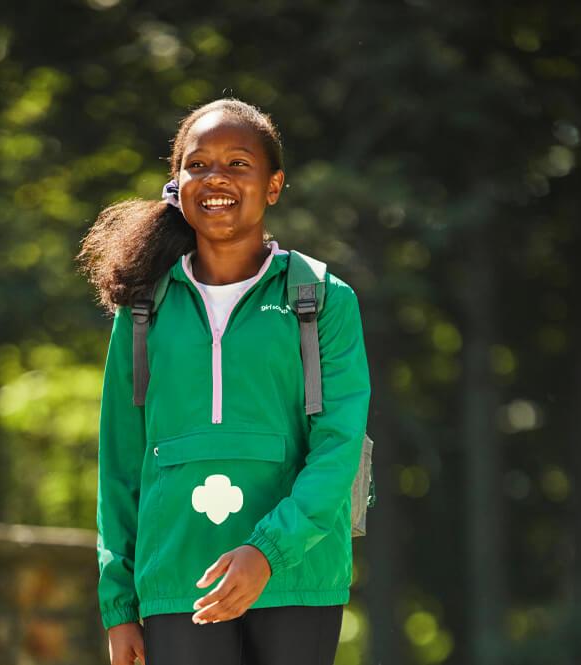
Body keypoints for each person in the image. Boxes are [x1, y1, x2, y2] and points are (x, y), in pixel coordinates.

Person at [76, 97, 371, 665]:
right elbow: (120, 464)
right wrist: (118, 606)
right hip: (173, 584)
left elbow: (339, 448)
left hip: (298, 577)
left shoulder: (321, 298)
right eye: (198, 164)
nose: (216, 178)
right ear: (177, 181)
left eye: (238, 163)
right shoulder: (141, 309)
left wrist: (267, 553)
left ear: (274, 185)